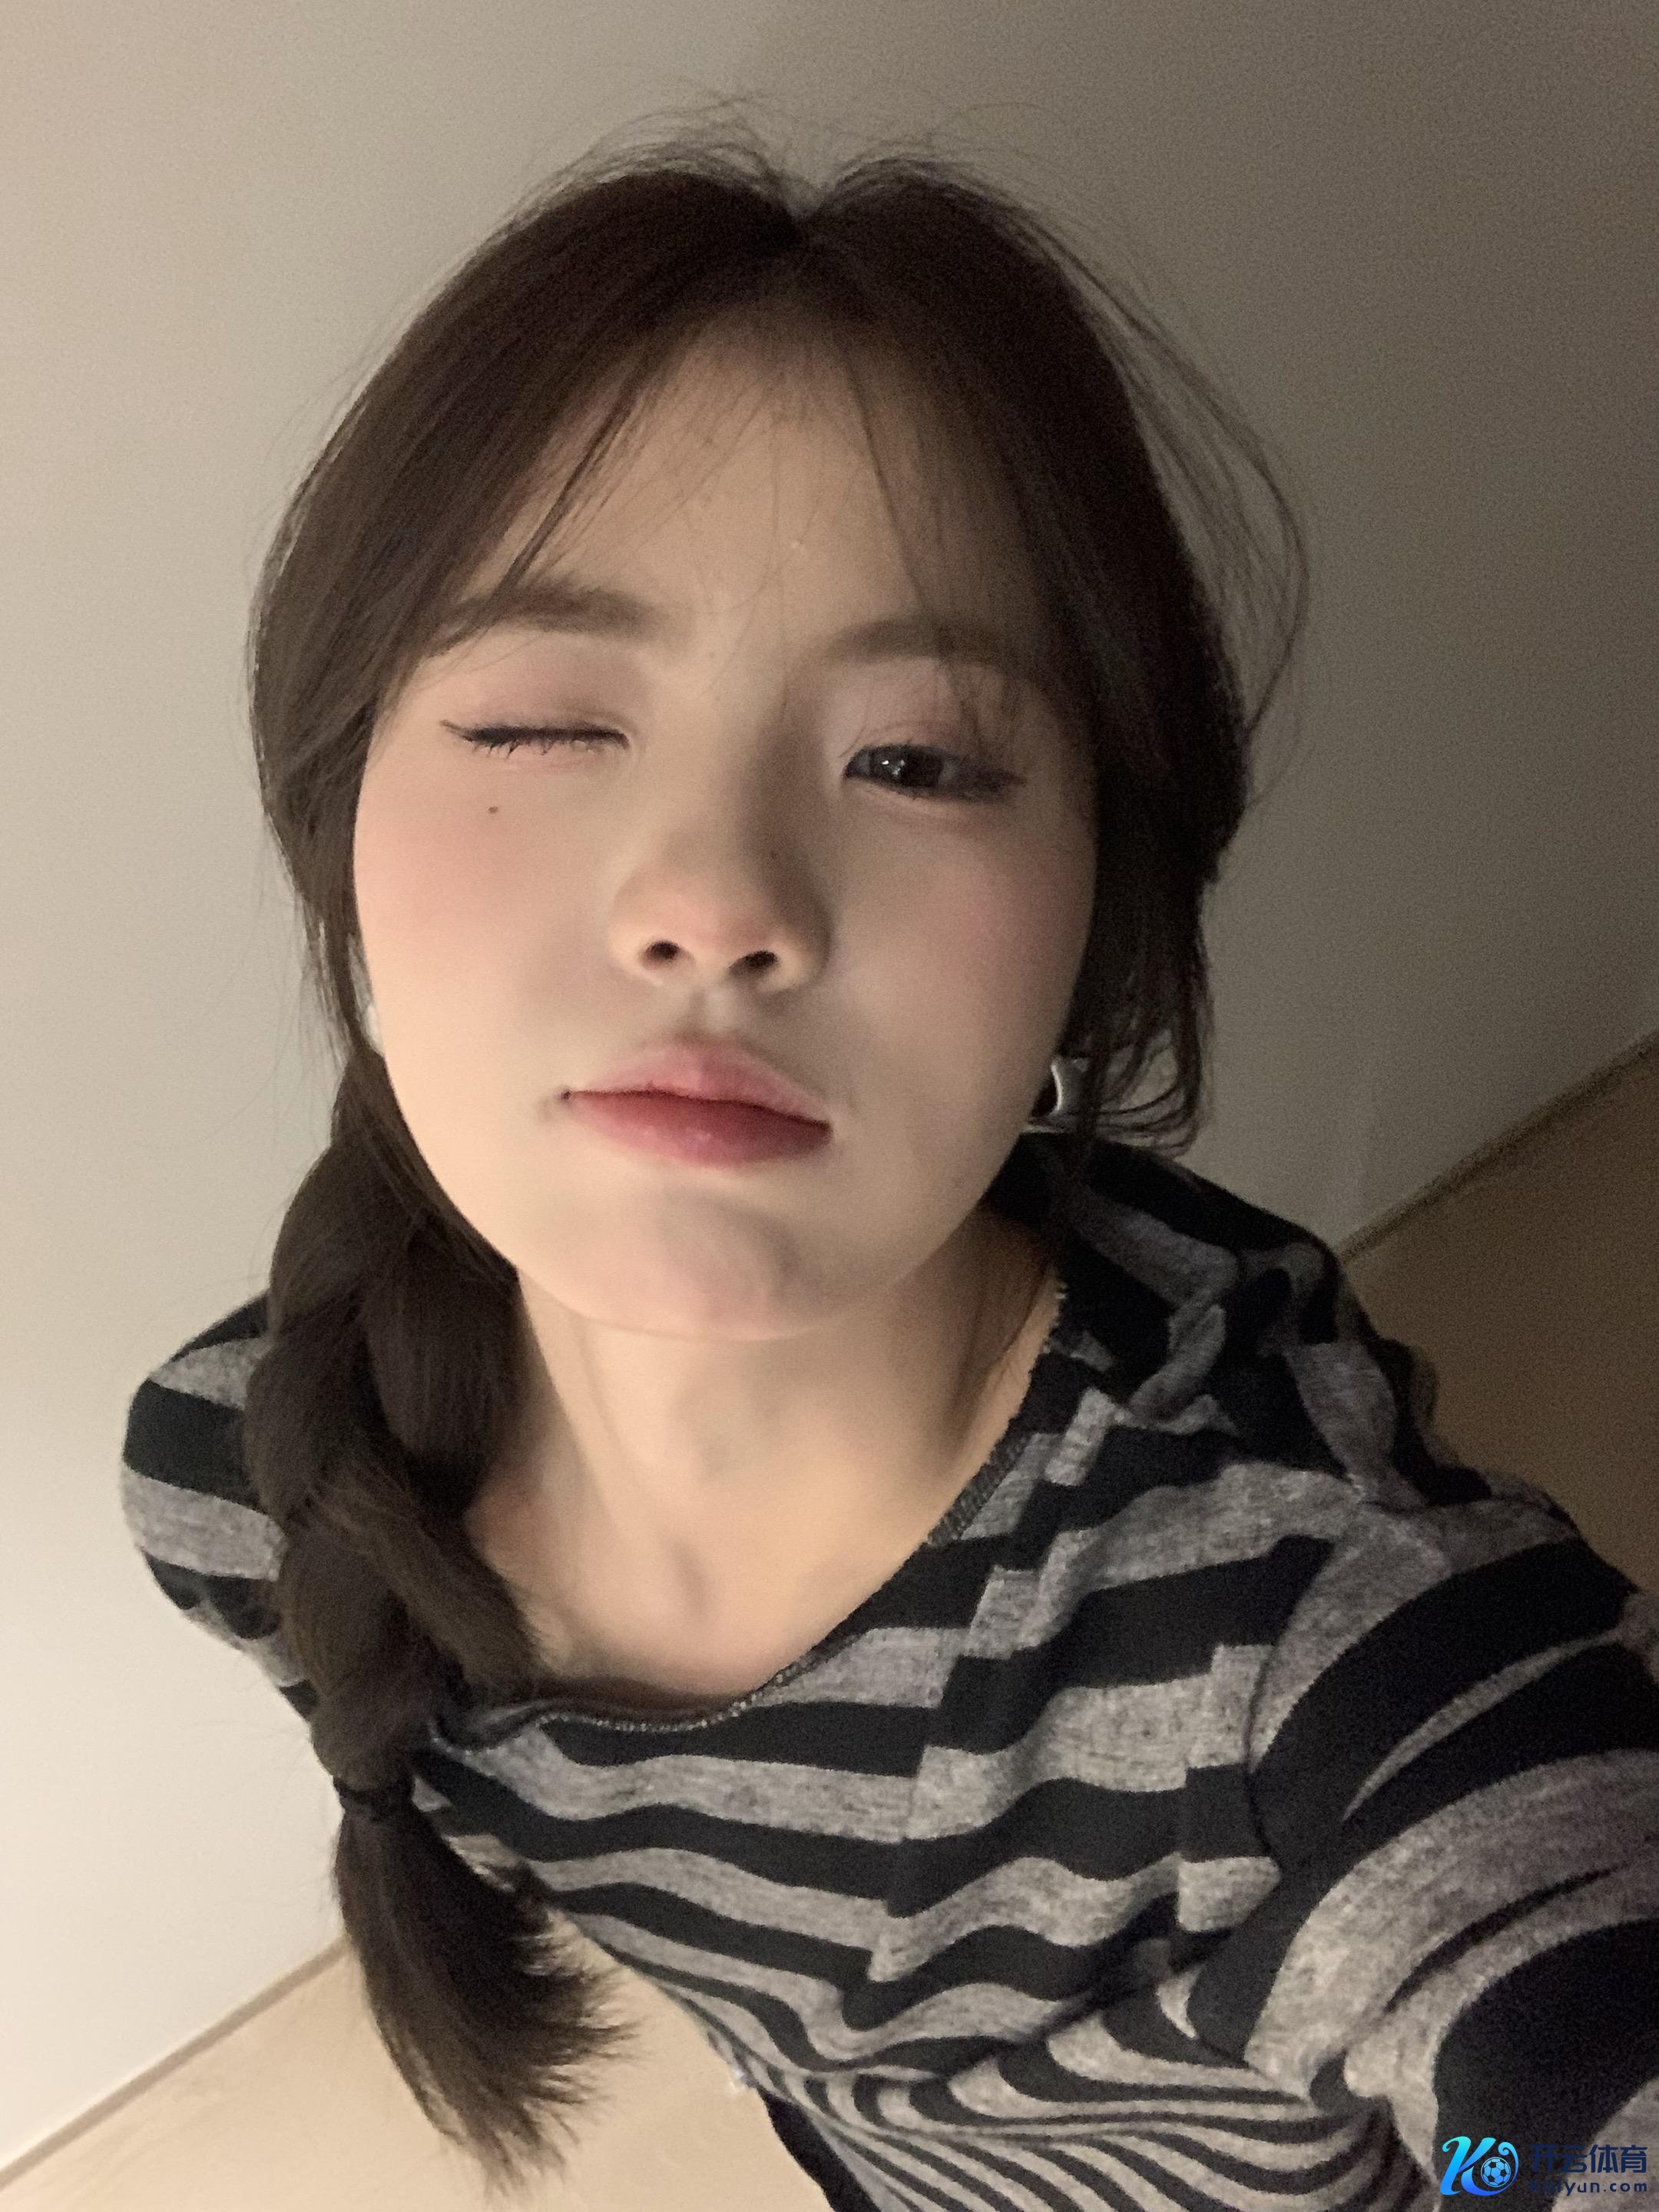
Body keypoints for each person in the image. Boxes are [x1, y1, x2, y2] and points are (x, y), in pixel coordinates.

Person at [119, 114, 1659, 2211]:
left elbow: (1554, 2108)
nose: (717, 900)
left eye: (916, 759)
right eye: (549, 722)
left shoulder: (1316, 1658)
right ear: (342, 833)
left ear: (1096, 930)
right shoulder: (249, 1484)